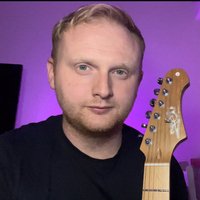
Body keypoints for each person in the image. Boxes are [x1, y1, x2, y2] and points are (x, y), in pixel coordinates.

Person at [0, 3, 188, 200]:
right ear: (52, 73)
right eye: (83, 67)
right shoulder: (8, 158)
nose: (103, 90)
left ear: (138, 81)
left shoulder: (164, 165)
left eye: (120, 72)